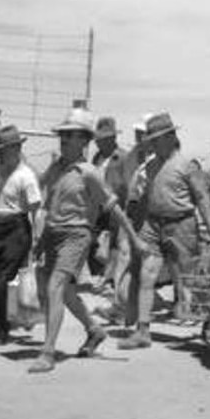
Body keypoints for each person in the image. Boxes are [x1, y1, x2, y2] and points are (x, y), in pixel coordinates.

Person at [29, 108, 146, 373]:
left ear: (84, 140)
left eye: (71, 136)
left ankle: (47, 352)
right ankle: (94, 330)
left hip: (77, 235)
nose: (64, 140)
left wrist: (135, 239)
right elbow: (49, 205)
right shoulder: (58, 169)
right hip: (53, 235)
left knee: (56, 287)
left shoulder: (89, 172)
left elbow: (114, 206)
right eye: (63, 135)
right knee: (66, 292)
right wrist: (39, 241)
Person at [118, 112, 210, 350]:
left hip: (182, 226)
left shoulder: (187, 165)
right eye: (151, 139)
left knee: (191, 279)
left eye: (156, 138)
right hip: (153, 225)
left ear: (170, 137)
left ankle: (209, 319)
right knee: (147, 275)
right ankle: (143, 331)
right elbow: (144, 197)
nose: (152, 143)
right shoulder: (151, 165)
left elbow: (202, 198)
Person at [0, 125, 41, 345]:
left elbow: (35, 208)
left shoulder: (26, 176)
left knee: (3, 281)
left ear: (15, 148)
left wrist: (36, 240)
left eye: (3, 149)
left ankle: (0, 331)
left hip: (16, 228)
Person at [90, 116, 130, 290]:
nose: (99, 144)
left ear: (112, 139)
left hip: (115, 205)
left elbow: (127, 184)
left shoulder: (122, 158)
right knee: (93, 240)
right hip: (97, 205)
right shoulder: (97, 158)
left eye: (103, 140)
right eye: (98, 140)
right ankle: (102, 273)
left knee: (113, 242)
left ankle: (107, 277)